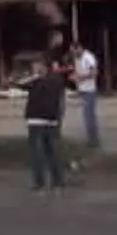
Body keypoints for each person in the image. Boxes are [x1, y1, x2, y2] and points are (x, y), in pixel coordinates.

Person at [22, 57, 66, 192]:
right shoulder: (57, 81)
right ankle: (57, 181)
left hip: (36, 119)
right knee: (52, 151)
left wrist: (33, 76)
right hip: (52, 119)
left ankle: (39, 182)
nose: (34, 69)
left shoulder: (34, 81)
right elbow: (61, 100)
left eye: (36, 67)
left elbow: (17, 84)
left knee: (36, 152)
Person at [71, 38, 100, 148]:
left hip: (89, 90)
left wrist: (80, 77)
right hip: (82, 90)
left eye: (74, 51)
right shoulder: (78, 58)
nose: (73, 54)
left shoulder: (89, 57)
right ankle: (91, 139)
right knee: (86, 116)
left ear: (79, 48)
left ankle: (93, 140)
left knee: (89, 116)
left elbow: (94, 73)